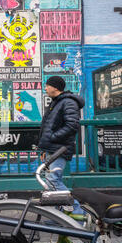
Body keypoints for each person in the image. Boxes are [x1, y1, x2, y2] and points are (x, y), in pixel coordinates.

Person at [38, 76, 85, 214]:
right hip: (53, 148)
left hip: (59, 148)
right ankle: (59, 215)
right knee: (50, 180)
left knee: (53, 180)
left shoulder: (68, 102)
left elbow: (72, 125)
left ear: (55, 87)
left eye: (47, 85)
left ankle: (77, 212)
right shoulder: (57, 102)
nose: (45, 88)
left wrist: (53, 138)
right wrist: (45, 149)